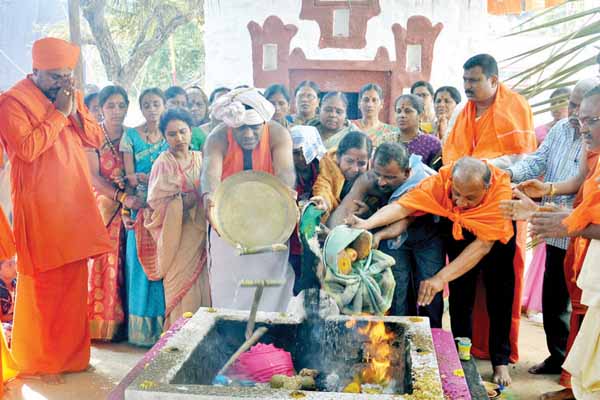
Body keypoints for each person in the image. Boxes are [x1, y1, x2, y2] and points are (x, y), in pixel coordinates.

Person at [347, 157, 516, 385]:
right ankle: (461, 355)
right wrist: (368, 224)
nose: (460, 201)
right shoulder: (441, 182)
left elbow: (483, 246)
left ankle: (500, 361)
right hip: (458, 230)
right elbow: (404, 206)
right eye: (456, 193)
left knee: (499, 298)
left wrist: (440, 278)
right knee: (460, 296)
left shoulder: (500, 195)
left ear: (486, 188)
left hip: (494, 241)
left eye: (470, 197)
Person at [0, 37, 112, 381]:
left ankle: (74, 358)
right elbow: (28, 149)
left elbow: (94, 138)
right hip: (40, 204)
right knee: (45, 284)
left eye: (66, 77)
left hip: (74, 202)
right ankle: (41, 360)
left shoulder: (69, 95)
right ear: (34, 72)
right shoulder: (11, 102)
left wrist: (74, 107)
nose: (60, 84)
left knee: (75, 283)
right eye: (53, 78)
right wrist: (58, 114)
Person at [443, 53, 536, 370]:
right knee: (461, 288)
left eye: (474, 80)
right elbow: (448, 152)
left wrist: (479, 168)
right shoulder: (460, 111)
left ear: (494, 80)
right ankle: (460, 354)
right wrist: (462, 175)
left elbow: (522, 159)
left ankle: (500, 360)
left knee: (500, 287)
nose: (467, 86)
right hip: (461, 208)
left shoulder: (516, 106)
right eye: (465, 80)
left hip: (498, 208)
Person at [508, 86, 600, 400]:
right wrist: (538, 190)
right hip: (575, 241)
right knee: (572, 311)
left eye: (589, 118)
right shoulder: (577, 140)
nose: (581, 124)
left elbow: (583, 213)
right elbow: (575, 186)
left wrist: (567, 221)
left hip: (580, 237)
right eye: (577, 112)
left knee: (584, 315)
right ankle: (570, 376)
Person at [201, 87, 296, 312]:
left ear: (264, 123)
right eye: (241, 129)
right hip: (227, 216)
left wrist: (287, 192)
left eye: (254, 128)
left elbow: (285, 172)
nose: (248, 135)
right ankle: (229, 329)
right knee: (227, 280)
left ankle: (269, 333)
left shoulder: (278, 134)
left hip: (270, 214)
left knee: (271, 279)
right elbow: (210, 174)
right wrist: (209, 197)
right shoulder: (217, 137)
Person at [331, 143, 443, 325]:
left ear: (407, 173)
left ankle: (432, 337)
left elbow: (403, 221)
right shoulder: (373, 179)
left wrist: (377, 235)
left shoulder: (421, 183)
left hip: (425, 237)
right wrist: (334, 235)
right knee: (394, 286)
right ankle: (395, 333)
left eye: (389, 177)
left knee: (428, 287)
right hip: (393, 238)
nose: (381, 182)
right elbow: (349, 205)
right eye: (378, 174)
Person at [145, 108, 211, 329]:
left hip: (201, 234)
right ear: (164, 136)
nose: (179, 138)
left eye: (183, 131)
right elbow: (155, 203)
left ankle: (203, 338)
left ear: (191, 132)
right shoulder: (163, 163)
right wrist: (180, 203)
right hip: (176, 237)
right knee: (179, 286)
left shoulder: (202, 159)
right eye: (172, 134)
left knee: (205, 284)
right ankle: (177, 337)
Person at [86, 85, 139, 341]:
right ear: (101, 108)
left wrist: (130, 196)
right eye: (111, 106)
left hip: (132, 207)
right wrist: (119, 196)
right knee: (106, 264)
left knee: (132, 263)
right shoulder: (92, 136)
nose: (117, 111)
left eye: (121, 105)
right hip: (103, 208)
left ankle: (131, 327)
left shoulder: (134, 136)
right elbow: (92, 177)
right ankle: (104, 327)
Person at [120, 88, 168, 346]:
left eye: (156, 104)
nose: (151, 109)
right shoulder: (130, 136)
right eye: (147, 104)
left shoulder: (171, 134)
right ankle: (140, 333)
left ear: (164, 106)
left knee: (163, 264)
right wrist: (127, 211)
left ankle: (164, 329)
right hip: (139, 208)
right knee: (139, 267)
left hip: (166, 209)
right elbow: (129, 180)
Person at [288, 125, 326, 294]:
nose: (301, 157)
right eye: (295, 153)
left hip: (319, 238)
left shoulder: (324, 170)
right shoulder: (286, 173)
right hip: (292, 241)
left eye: (305, 151)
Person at [311, 131, 373, 223]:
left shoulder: (374, 173)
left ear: (368, 161)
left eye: (361, 163)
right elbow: (323, 186)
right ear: (338, 157)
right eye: (349, 161)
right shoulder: (327, 165)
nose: (355, 169)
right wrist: (324, 202)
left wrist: (369, 211)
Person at [378, 94, 442, 168]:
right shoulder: (386, 140)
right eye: (398, 111)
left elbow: (436, 173)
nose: (402, 115)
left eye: (407, 111)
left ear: (420, 115)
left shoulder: (432, 143)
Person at [186, 86, 210, 151]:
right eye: (189, 105)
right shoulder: (179, 133)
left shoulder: (214, 129)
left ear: (206, 107)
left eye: (199, 104)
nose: (194, 109)